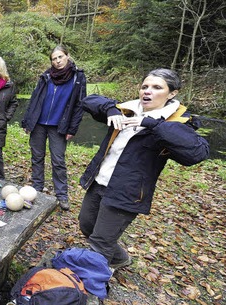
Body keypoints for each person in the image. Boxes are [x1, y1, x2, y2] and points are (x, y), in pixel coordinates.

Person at [79, 68, 209, 269]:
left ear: (172, 93)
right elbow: (89, 100)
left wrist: (151, 124)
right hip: (101, 180)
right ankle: (120, 258)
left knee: (100, 243)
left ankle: (88, 284)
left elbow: (197, 153)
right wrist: (110, 109)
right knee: (87, 225)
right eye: (145, 86)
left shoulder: (177, 122)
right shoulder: (128, 109)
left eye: (157, 87)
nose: (147, 91)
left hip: (128, 191)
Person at [21, 45, 87, 210]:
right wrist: (28, 121)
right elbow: (35, 99)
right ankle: (37, 187)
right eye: (54, 59)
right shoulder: (46, 76)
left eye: (60, 57)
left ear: (67, 56)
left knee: (58, 160)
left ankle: (62, 195)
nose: (57, 61)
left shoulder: (77, 78)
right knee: (37, 157)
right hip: (39, 124)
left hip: (59, 126)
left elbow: (79, 106)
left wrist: (72, 129)